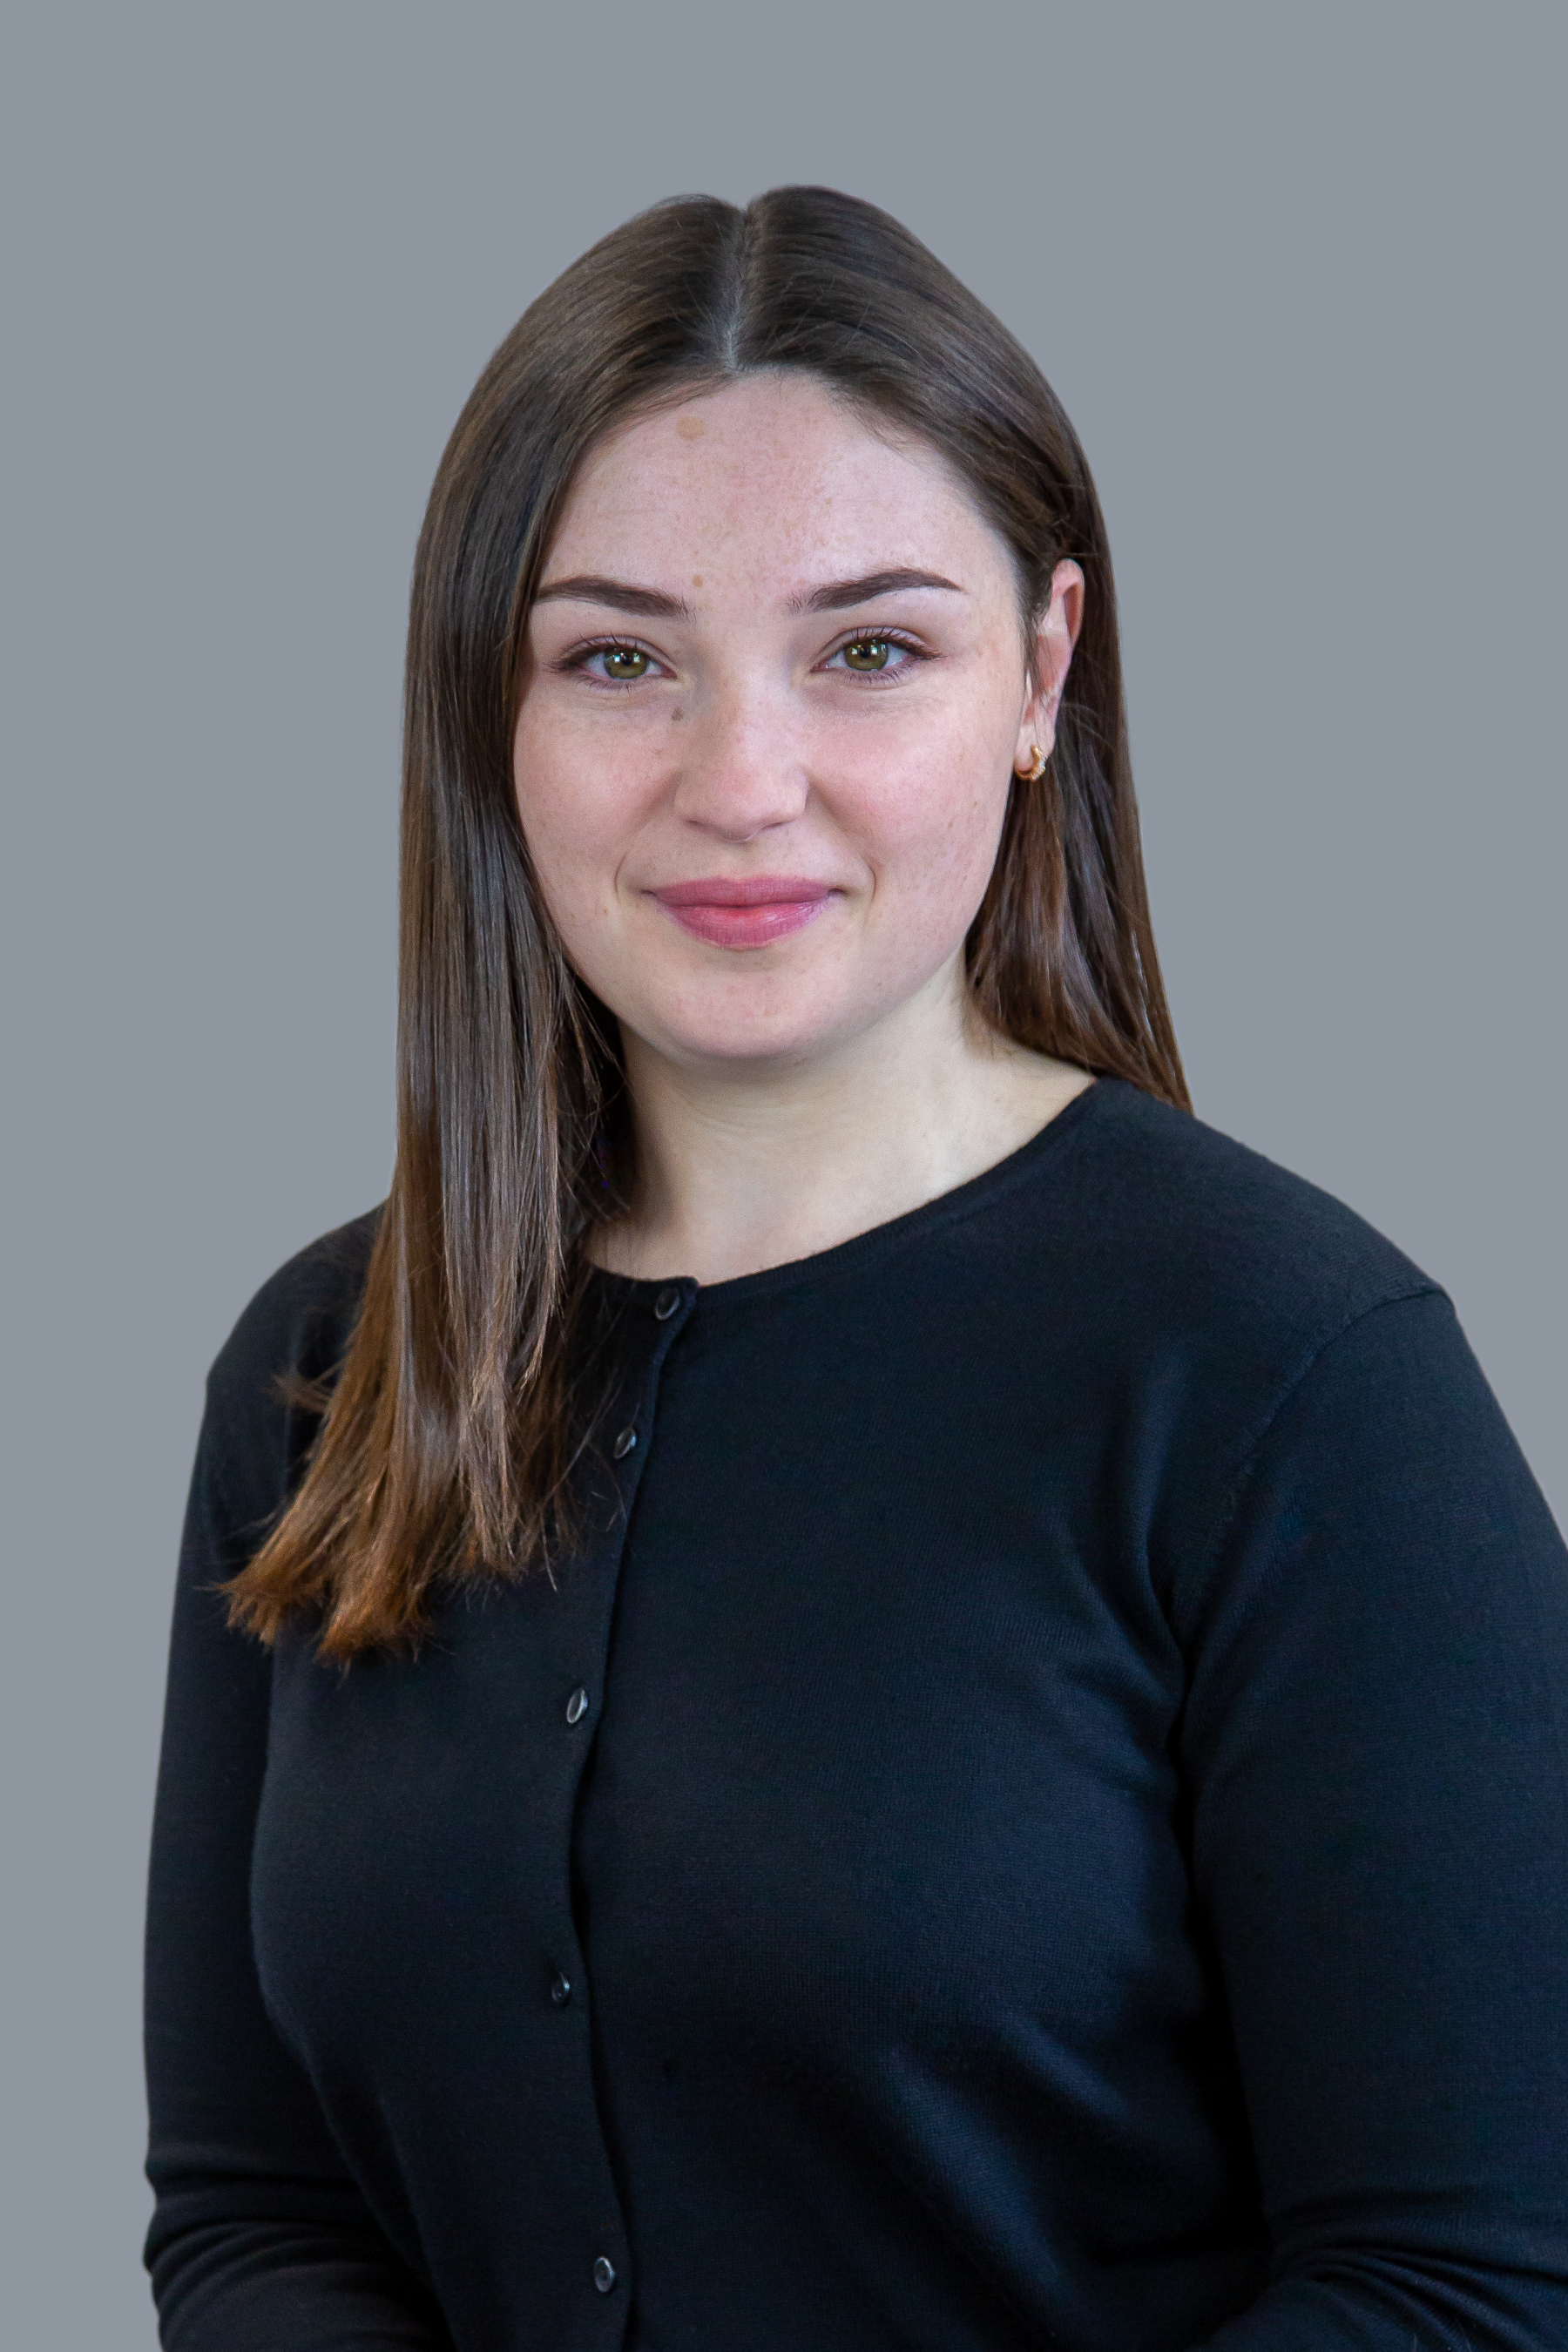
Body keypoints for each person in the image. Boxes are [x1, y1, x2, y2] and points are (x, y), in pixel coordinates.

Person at [143, 186, 1568, 2352]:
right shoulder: (321, 1372)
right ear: (487, 706)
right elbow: (257, 2217)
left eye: (871, 651)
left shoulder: (1296, 1380)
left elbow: (1473, 2282)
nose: (743, 784)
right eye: (618, 659)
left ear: (1045, 672)